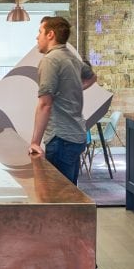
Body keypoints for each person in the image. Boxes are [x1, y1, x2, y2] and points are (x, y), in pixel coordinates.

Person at [28, 15, 97, 185]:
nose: (37, 37)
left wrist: (35, 142)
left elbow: (45, 104)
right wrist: (71, 89)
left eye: (40, 32)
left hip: (61, 138)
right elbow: (92, 78)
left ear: (50, 34)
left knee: (59, 197)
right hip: (76, 136)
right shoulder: (71, 57)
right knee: (69, 193)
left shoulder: (50, 60)